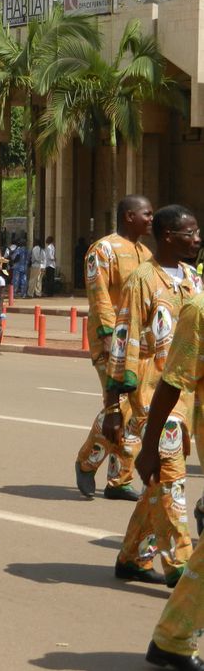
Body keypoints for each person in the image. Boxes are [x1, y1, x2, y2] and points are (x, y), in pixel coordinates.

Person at [105, 204, 202, 587]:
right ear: (167, 236)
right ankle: (182, 566)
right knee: (172, 477)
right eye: (189, 233)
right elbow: (123, 340)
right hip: (152, 392)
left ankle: (131, 556)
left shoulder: (193, 278)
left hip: (188, 394)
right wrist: (113, 405)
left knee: (160, 479)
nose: (197, 238)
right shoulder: (142, 280)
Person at [137, 292, 204, 669]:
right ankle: (172, 637)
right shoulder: (199, 310)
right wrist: (149, 446)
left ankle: (172, 638)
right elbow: (172, 381)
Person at [75, 195, 154, 500]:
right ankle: (87, 461)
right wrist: (109, 336)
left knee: (139, 411)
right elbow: (99, 296)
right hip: (112, 340)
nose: (151, 218)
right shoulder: (103, 249)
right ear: (129, 216)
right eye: (146, 214)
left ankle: (119, 479)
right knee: (118, 406)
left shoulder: (146, 253)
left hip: (141, 342)